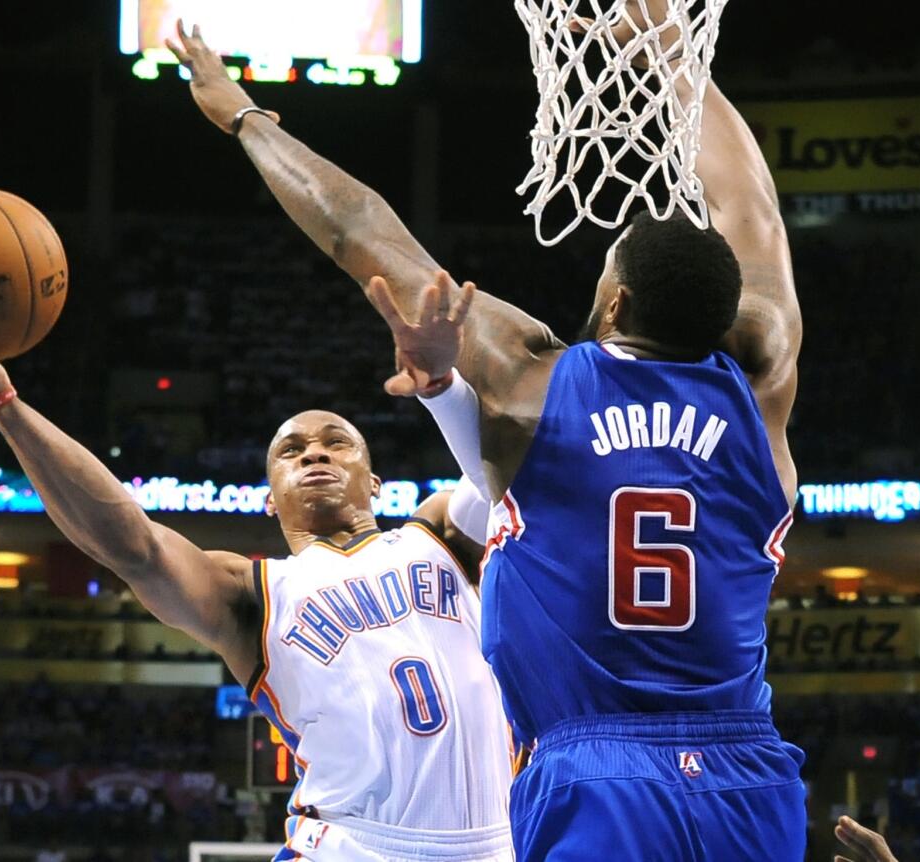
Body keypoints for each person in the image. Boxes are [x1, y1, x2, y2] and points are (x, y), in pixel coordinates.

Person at [169, 3, 804, 858]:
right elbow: (753, 211)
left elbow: (359, 230)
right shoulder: (762, 378)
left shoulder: (534, 387)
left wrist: (245, 118)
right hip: (747, 773)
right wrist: (672, 55)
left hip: (596, 768)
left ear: (613, 302)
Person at [0, 279, 513, 862]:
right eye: (290, 452)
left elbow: (516, 457)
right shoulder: (252, 591)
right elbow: (131, 545)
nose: (315, 451)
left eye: (337, 442)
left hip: (500, 843)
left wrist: (443, 383)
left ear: (374, 481)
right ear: (271, 497)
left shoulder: (440, 534)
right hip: (351, 844)